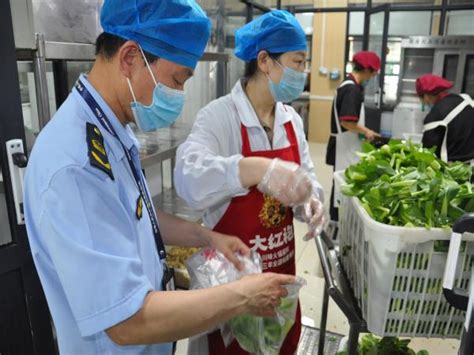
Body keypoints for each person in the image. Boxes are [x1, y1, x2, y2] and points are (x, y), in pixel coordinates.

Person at [23, 1, 296, 354]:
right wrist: (243, 295)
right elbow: (127, 321)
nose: (179, 95)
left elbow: (134, 213)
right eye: (177, 79)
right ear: (129, 58)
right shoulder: (75, 165)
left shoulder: (109, 129)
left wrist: (205, 236)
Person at [174, 10, 325, 355]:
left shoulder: (291, 120)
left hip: (282, 279)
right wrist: (253, 170)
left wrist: (311, 201)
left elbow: (308, 177)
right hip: (233, 286)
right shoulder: (219, 116)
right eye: (297, 61)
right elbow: (188, 178)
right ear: (265, 61)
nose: (303, 72)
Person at [325, 51, 381, 229]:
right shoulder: (352, 89)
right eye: (372, 73)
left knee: (340, 180)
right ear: (366, 69)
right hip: (345, 145)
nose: (372, 77)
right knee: (344, 181)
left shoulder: (348, 84)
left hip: (344, 143)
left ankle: (337, 217)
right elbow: (348, 122)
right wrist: (368, 132)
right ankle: (339, 220)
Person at [417, 74, 474, 163]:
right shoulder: (466, 100)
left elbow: (428, 153)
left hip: (453, 171)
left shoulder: (435, 116)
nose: (425, 103)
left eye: (422, 99)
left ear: (426, 96)